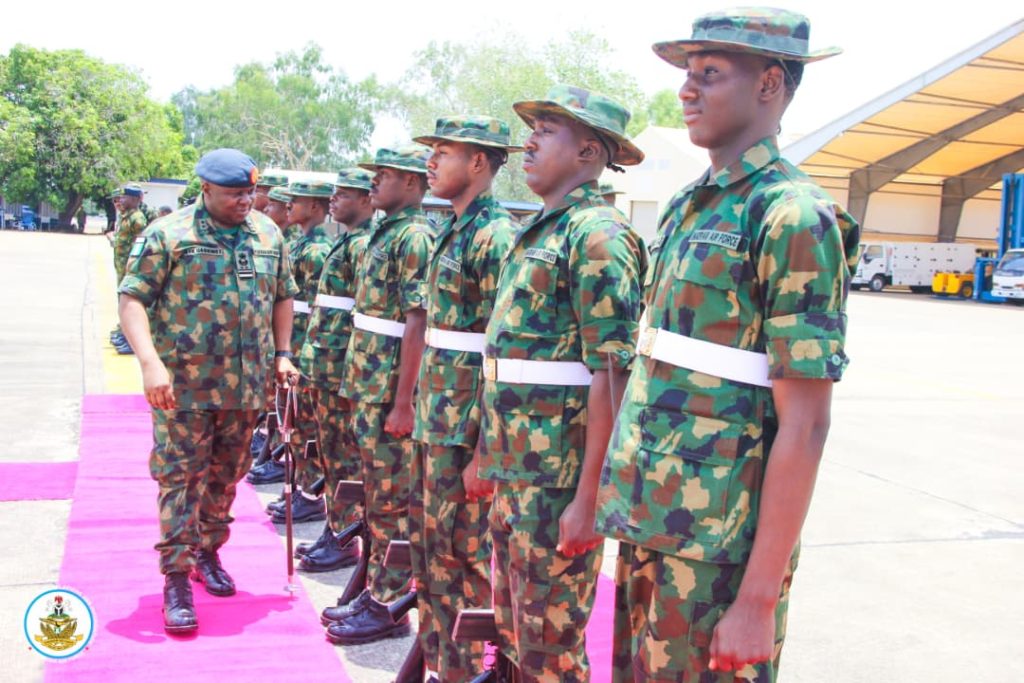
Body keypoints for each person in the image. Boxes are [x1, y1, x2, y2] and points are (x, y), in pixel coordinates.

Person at [595, 8, 861, 681]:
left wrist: (757, 598)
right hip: (651, 522)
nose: (687, 90)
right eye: (688, 75)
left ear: (770, 84)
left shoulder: (792, 214)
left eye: (709, 74)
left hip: (718, 554)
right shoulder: (693, 204)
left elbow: (805, 422)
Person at [480, 85, 647, 682]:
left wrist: (588, 500)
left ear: (589, 152)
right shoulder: (544, 229)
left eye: (547, 130)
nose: (529, 140)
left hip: (557, 482)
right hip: (516, 469)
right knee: (517, 632)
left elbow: (611, 376)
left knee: (550, 646)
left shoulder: (597, 237)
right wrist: (485, 455)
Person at [117, 148, 300, 634]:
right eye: (235, 193)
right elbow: (133, 298)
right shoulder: (169, 233)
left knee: (226, 476)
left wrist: (283, 353)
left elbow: (284, 295)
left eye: (250, 192)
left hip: (245, 387)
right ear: (207, 190)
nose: (246, 201)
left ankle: (208, 552)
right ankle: (175, 577)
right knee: (180, 478)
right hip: (183, 388)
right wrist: (150, 363)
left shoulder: (268, 234)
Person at [408, 116, 522, 680]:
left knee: (463, 561)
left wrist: (486, 449)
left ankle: (464, 670)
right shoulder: (453, 227)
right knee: (432, 560)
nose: (430, 162)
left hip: (466, 429)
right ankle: (438, 665)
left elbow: (501, 351)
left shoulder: (495, 236)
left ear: (478, 163)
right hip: (438, 418)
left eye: (443, 152)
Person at [324, 145, 434, 646]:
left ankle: (389, 602)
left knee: (391, 501)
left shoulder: (414, 236)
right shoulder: (385, 232)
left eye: (384, 176)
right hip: (367, 381)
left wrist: (404, 401)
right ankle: (375, 587)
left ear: (412, 183)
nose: (374, 185)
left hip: (389, 386)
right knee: (376, 497)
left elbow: (417, 320)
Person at [294, 168, 376, 573]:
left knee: (345, 458)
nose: (335, 200)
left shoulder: (364, 246)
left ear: (366, 200)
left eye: (345, 194)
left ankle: (344, 534)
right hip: (325, 366)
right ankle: (335, 524)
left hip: (343, 369)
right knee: (332, 455)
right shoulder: (346, 242)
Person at [266, 181, 336, 525]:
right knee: (292, 422)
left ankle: (309, 492)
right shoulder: (300, 244)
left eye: (298, 201)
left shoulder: (318, 250)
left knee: (305, 425)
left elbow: (319, 308)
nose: (289, 206)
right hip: (297, 341)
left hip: (308, 343)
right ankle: (299, 485)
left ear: (315, 206)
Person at [111, 184, 150, 355]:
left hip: (131, 267)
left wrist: (135, 265)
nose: (121, 200)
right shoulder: (125, 216)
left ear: (135, 199)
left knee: (130, 303)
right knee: (122, 300)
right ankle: (123, 332)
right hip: (121, 265)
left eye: (125, 197)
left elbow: (141, 243)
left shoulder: (138, 219)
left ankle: (131, 340)